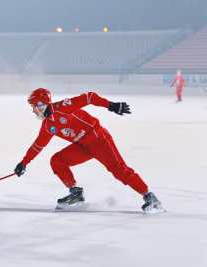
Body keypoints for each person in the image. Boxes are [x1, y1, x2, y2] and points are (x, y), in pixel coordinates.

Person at [13, 88, 164, 213]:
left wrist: (111, 105)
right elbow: (38, 146)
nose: (33, 111)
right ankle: (76, 193)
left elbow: (89, 97)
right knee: (57, 160)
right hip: (82, 146)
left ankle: (150, 197)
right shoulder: (48, 126)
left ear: (41, 104)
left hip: (99, 139)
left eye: (34, 106)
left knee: (119, 170)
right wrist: (23, 163)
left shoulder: (63, 106)